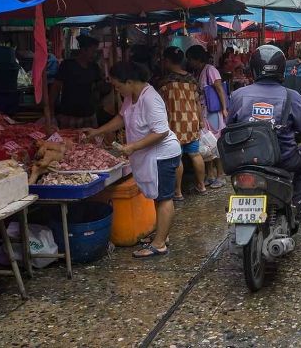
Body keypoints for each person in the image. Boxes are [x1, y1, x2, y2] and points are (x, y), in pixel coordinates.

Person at [87, 62, 182, 258]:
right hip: (150, 154)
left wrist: (133, 147)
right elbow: (122, 118)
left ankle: (159, 244)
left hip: (162, 154)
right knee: (158, 196)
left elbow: (161, 131)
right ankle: (161, 235)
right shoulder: (130, 97)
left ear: (129, 81)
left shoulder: (150, 98)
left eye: (118, 85)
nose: (116, 89)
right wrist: (98, 131)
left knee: (164, 198)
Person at [226, 45, 301, 221]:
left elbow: (229, 125)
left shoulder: (238, 95)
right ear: (282, 70)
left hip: (244, 159)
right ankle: (295, 206)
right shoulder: (292, 96)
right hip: (283, 159)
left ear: (253, 69)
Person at [156, 47, 207, 201]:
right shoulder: (192, 79)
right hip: (191, 121)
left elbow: (160, 104)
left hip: (174, 124)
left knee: (176, 158)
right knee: (195, 154)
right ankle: (202, 186)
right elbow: (198, 102)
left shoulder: (165, 82)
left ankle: (178, 192)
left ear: (166, 61)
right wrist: (201, 121)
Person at [185, 45, 227, 189]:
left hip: (213, 112)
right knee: (206, 144)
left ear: (197, 59)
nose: (189, 62)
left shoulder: (210, 70)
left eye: (190, 59)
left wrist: (224, 108)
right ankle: (210, 174)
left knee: (215, 143)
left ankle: (220, 175)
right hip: (203, 112)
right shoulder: (198, 72)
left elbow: (219, 88)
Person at [50, 34, 104, 129]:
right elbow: (56, 87)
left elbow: (99, 87)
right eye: (93, 51)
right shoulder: (67, 65)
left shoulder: (94, 67)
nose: (95, 54)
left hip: (89, 114)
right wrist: (51, 111)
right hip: (69, 114)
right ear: (83, 50)